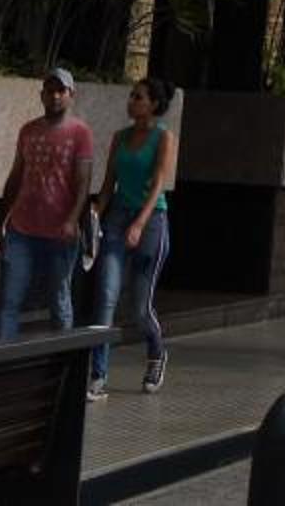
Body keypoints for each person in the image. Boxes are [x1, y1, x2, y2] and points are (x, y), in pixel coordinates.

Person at [87, 77, 176, 400]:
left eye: (138, 97)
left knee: (139, 308)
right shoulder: (120, 137)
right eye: (131, 96)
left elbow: (158, 185)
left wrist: (139, 223)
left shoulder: (163, 137)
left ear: (153, 104)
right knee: (106, 295)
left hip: (151, 222)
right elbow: (108, 182)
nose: (131, 101)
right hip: (117, 218)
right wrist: (96, 212)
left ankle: (156, 352)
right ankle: (98, 375)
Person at [0, 67, 93, 341]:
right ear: (42, 95)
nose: (55, 96)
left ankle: (63, 358)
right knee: (9, 299)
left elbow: (83, 181)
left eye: (61, 91)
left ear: (71, 95)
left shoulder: (80, 132)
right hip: (22, 229)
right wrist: (2, 221)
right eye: (50, 91)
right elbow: (16, 176)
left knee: (58, 300)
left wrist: (72, 219)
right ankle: (4, 356)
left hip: (60, 232)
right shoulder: (28, 130)